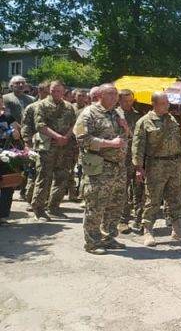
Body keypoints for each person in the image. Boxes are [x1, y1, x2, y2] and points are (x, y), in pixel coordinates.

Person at [73, 84, 129, 254]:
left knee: (115, 204)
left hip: (118, 167)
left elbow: (127, 137)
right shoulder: (88, 113)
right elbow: (81, 138)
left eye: (116, 94)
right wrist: (109, 144)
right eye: (110, 94)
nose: (114, 97)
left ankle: (108, 237)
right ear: (100, 95)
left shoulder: (117, 113)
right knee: (96, 205)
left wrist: (126, 127)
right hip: (99, 166)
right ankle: (92, 242)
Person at [132, 91, 181, 247]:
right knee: (152, 200)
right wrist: (139, 167)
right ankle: (148, 230)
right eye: (164, 103)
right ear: (154, 104)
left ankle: (177, 229)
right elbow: (138, 146)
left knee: (175, 198)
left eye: (168, 103)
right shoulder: (145, 121)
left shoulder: (172, 119)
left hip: (174, 165)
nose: (167, 105)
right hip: (156, 165)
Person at [30, 81, 77, 221]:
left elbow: (74, 124)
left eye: (59, 91)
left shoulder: (69, 107)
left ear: (64, 92)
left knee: (62, 178)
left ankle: (54, 207)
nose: (56, 93)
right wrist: (57, 136)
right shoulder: (41, 105)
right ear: (49, 91)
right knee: (44, 178)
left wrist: (66, 137)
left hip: (65, 147)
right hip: (47, 148)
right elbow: (40, 125)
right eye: (53, 90)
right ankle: (38, 210)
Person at [115, 89, 142, 234]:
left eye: (130, 100)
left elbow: (139, 137)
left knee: (139, 189)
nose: (128, 103)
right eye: (125, 101)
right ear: (119, 100)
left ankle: (139, 220)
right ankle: (123, 220)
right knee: (122, 191)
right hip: (120, 158)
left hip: (136, 157)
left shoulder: (138, 116)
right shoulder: (113, 116)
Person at [19, 81, 49, 205]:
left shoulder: (52, 107)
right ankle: (29, 197)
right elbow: (25, 126)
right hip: (35, 144)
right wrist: (27, 143)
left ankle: (43, 200)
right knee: (33, 172)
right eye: (47, 92)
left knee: (45, 173)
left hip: (50, 145)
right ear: (40, 91)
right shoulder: (32, 107)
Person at [0, 98, 23, 225]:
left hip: (6, 155)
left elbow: (18, 135)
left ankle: (2, 215)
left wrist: (14, 132)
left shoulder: (8, 117)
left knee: (7, 185)